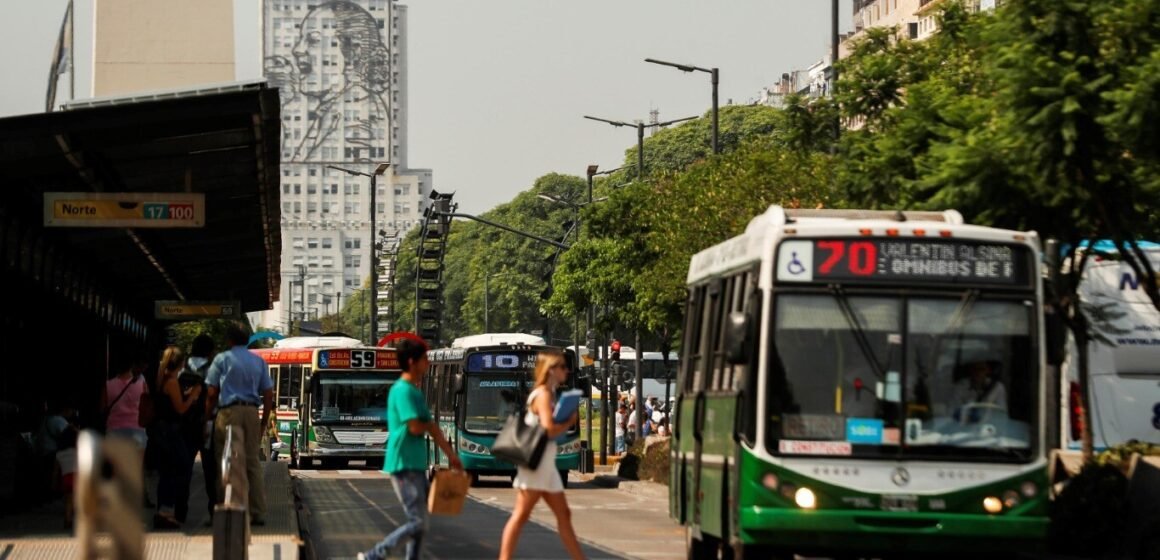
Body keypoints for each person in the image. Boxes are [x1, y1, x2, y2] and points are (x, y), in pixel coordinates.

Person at [359, 336, 461, 560]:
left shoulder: (415, 391)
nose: (428, 363)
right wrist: (433, 430)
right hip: (403, 464)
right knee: (417, 522)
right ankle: (374, 555)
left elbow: (432, 428)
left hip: (415, 464)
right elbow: (416, 426)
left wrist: (451, 455)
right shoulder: (403, 391)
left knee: (421, 525)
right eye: (425, 359)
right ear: (413, 361)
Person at [498, 350, 585, 560]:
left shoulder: (548, 393)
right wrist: (568, 422)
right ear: (551, 370)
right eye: (563, 367)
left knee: (563, 514)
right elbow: (548, 429)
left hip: (545, 464)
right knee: (521, 515)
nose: (567, 370)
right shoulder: (544, 394)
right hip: (536, 465)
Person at [206, 323, 273, 526]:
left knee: (227, 460)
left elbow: (211, 393)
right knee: (252, 462)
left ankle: (228, 509)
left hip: (229, 413)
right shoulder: (259, 362)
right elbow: (269, 394)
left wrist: (207, 417)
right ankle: (257, 512)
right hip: (252, 412)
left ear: (230, 340)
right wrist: (263, 421)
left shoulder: (222, 359)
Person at [153, 345, 203, 529]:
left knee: (167, 470)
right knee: (178, 468)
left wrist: (187, 394)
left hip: (161, 430)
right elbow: (180, 409)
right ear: (180, 363)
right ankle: (166, 512)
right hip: (171, 431)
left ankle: (163, 511)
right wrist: (193, 396)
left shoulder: (162, 378)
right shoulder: (172, 381)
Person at [103, 351, 151, 505]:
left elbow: (102, 408)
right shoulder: (142, 383)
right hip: (136, 429)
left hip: (114, 430)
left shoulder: (108, 385)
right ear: (131, 366)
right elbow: (147, 406)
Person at [182, 333, 217, 522]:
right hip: (207, 424)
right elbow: (212, 396)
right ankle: (213, 512)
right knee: (210, 470)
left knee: (184, 467)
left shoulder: (183, 368)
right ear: (209, 352)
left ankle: (180, 510)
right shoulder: (212, 369)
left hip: (185, 424)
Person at [951, 359, 1008, 423]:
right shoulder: (961, 387)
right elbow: (953, 409)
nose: (978, 372)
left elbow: (1002, 412)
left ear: (988, 370)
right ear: (970, 370)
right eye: (975, 369)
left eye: (981, 369)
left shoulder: (997, 387)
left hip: (988, 427)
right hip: (964, 425)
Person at [54, 426, 78, 530]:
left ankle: (67, 520)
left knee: (69, 500)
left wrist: (53, 482)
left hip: (65, 479)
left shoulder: (59, 454)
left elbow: (55, 471)